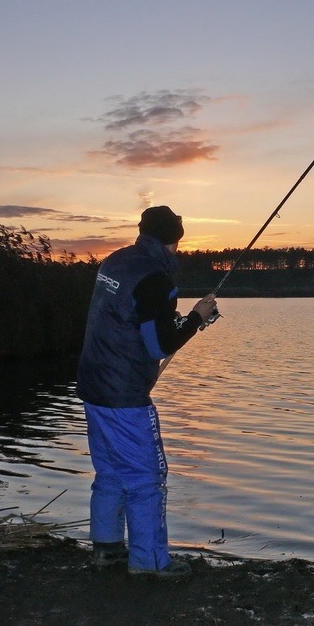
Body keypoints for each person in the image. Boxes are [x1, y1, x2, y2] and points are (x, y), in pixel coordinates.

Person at [76, 205, 218, 578]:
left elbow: (133, 317)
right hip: (124, 395)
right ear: (174, 240)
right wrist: (197, 319)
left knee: (109, 472)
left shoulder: (115, 262)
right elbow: (159, 345)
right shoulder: (156, 279)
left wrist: (179, 319)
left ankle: (105, 549)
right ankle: (150, 561)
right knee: (146, 477)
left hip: (93, 382)